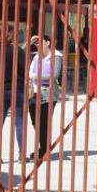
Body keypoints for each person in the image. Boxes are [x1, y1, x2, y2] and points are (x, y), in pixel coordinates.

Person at [0, 25, 26, 163]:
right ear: (7, 34)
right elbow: (24, 69)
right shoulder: (16, 50)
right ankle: (22, 155)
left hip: (0, 89)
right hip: (17, 89)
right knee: (19, 122)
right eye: (11, 33)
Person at [27, 34, 63, 162]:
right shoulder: (35, 56)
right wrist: (28, 43)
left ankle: (43, 150)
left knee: (44, 122)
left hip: (48, 94)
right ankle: (44, 147)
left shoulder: (56, 56)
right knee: (35, 122)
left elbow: (55, 75)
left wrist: (36, 76)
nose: (37, 45)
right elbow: (21, 57)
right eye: (35, 44)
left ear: (48, 43)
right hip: (33, 93)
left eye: (39, 42)